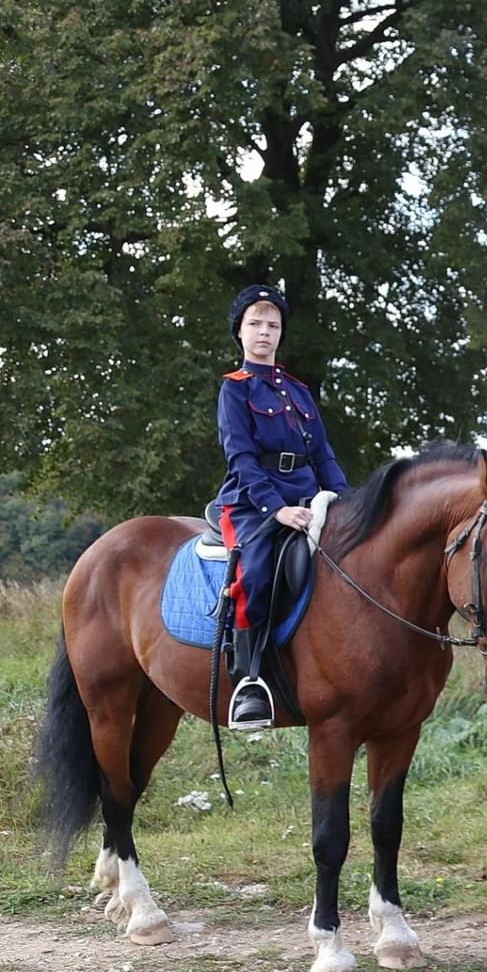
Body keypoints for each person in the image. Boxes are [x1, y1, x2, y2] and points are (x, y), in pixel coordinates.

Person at [215, 283, 350, 731]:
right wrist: (276, 509)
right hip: (252, 503)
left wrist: (348, 503)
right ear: (240, 331)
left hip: (308, 497)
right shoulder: (234, 391)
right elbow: (241, 458)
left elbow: (324, 455)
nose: (264, 331)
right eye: (255, 323)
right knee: (254, 571)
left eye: (272, 325)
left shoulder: (297, 391)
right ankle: (250, 682)